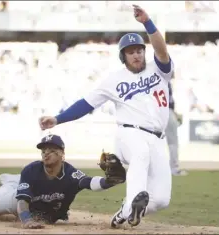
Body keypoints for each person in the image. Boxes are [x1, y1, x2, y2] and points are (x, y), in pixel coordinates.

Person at [38, 5, 173, 229]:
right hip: (129, 134)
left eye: (139, 50)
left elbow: (162, 50)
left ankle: (125, 212)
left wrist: (147, 22)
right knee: (140, 153)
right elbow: (86, 104)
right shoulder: (114, 80)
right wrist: (58, 119)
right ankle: (133, 202)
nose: (137, 54)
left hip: (158, 140)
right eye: (131, 52)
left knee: (161, 199)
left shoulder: (159, 70)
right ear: (124, 56)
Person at [0, 134, 120, 229]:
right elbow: (22, 201)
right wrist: (26, 220)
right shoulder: (31, 170)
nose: (46, 153)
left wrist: (110, 181)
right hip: (18, 200)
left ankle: (16, 180)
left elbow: (89, 182)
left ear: (62, 153)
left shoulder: (70, 173)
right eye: (44, 150)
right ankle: (9, 181)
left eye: (52, 150)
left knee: (26, 184)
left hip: (45, 211)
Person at [165, 80, 188, 176]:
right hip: (165, 111)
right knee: (173, 143)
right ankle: (173, 168)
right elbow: (167, 101)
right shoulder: (164, 79)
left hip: (153, 113)